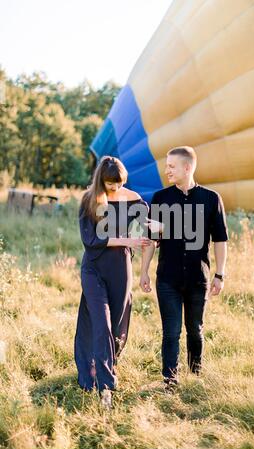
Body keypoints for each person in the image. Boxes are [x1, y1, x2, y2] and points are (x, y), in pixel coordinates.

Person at [140, 146, 228, 387]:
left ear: (187, 167)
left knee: (195, 330)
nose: (166, 170)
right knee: (170, 332)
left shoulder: (211, 199)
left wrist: (220, 274)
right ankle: (170, 379)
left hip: (199, 278)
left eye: (171, 166)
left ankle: (195, 375)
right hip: (167, 278)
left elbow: (220, 239)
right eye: (166, 166)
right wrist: (144, 271)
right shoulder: (160, 198)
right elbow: (151, 240)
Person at [75, 156, 151, 407]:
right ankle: (105, 386)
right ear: (101, 180)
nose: (116, 189)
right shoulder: (89, 200)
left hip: (120, 268)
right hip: (94, 268)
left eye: (119, 184)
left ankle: (104, 363)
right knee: (101, 320)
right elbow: (91, 240)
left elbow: (144, 228)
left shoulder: (133, 199)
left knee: (117, 323)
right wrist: (126, 240)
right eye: (111, 185)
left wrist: (156, 228)